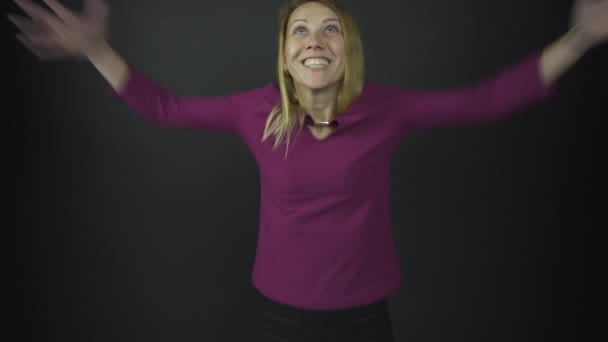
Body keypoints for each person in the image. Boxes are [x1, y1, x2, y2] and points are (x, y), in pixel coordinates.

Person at [8, 0, 608, 341]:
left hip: (367, 316)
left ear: (346, 49)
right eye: (301, 28)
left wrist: (580, 38)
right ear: (287, 53)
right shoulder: (255, 111)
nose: (314, 39)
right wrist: (94, 48)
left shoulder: (388, 108)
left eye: (330, 29)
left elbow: (487, 99)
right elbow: (163, 107)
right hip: (281, 316)